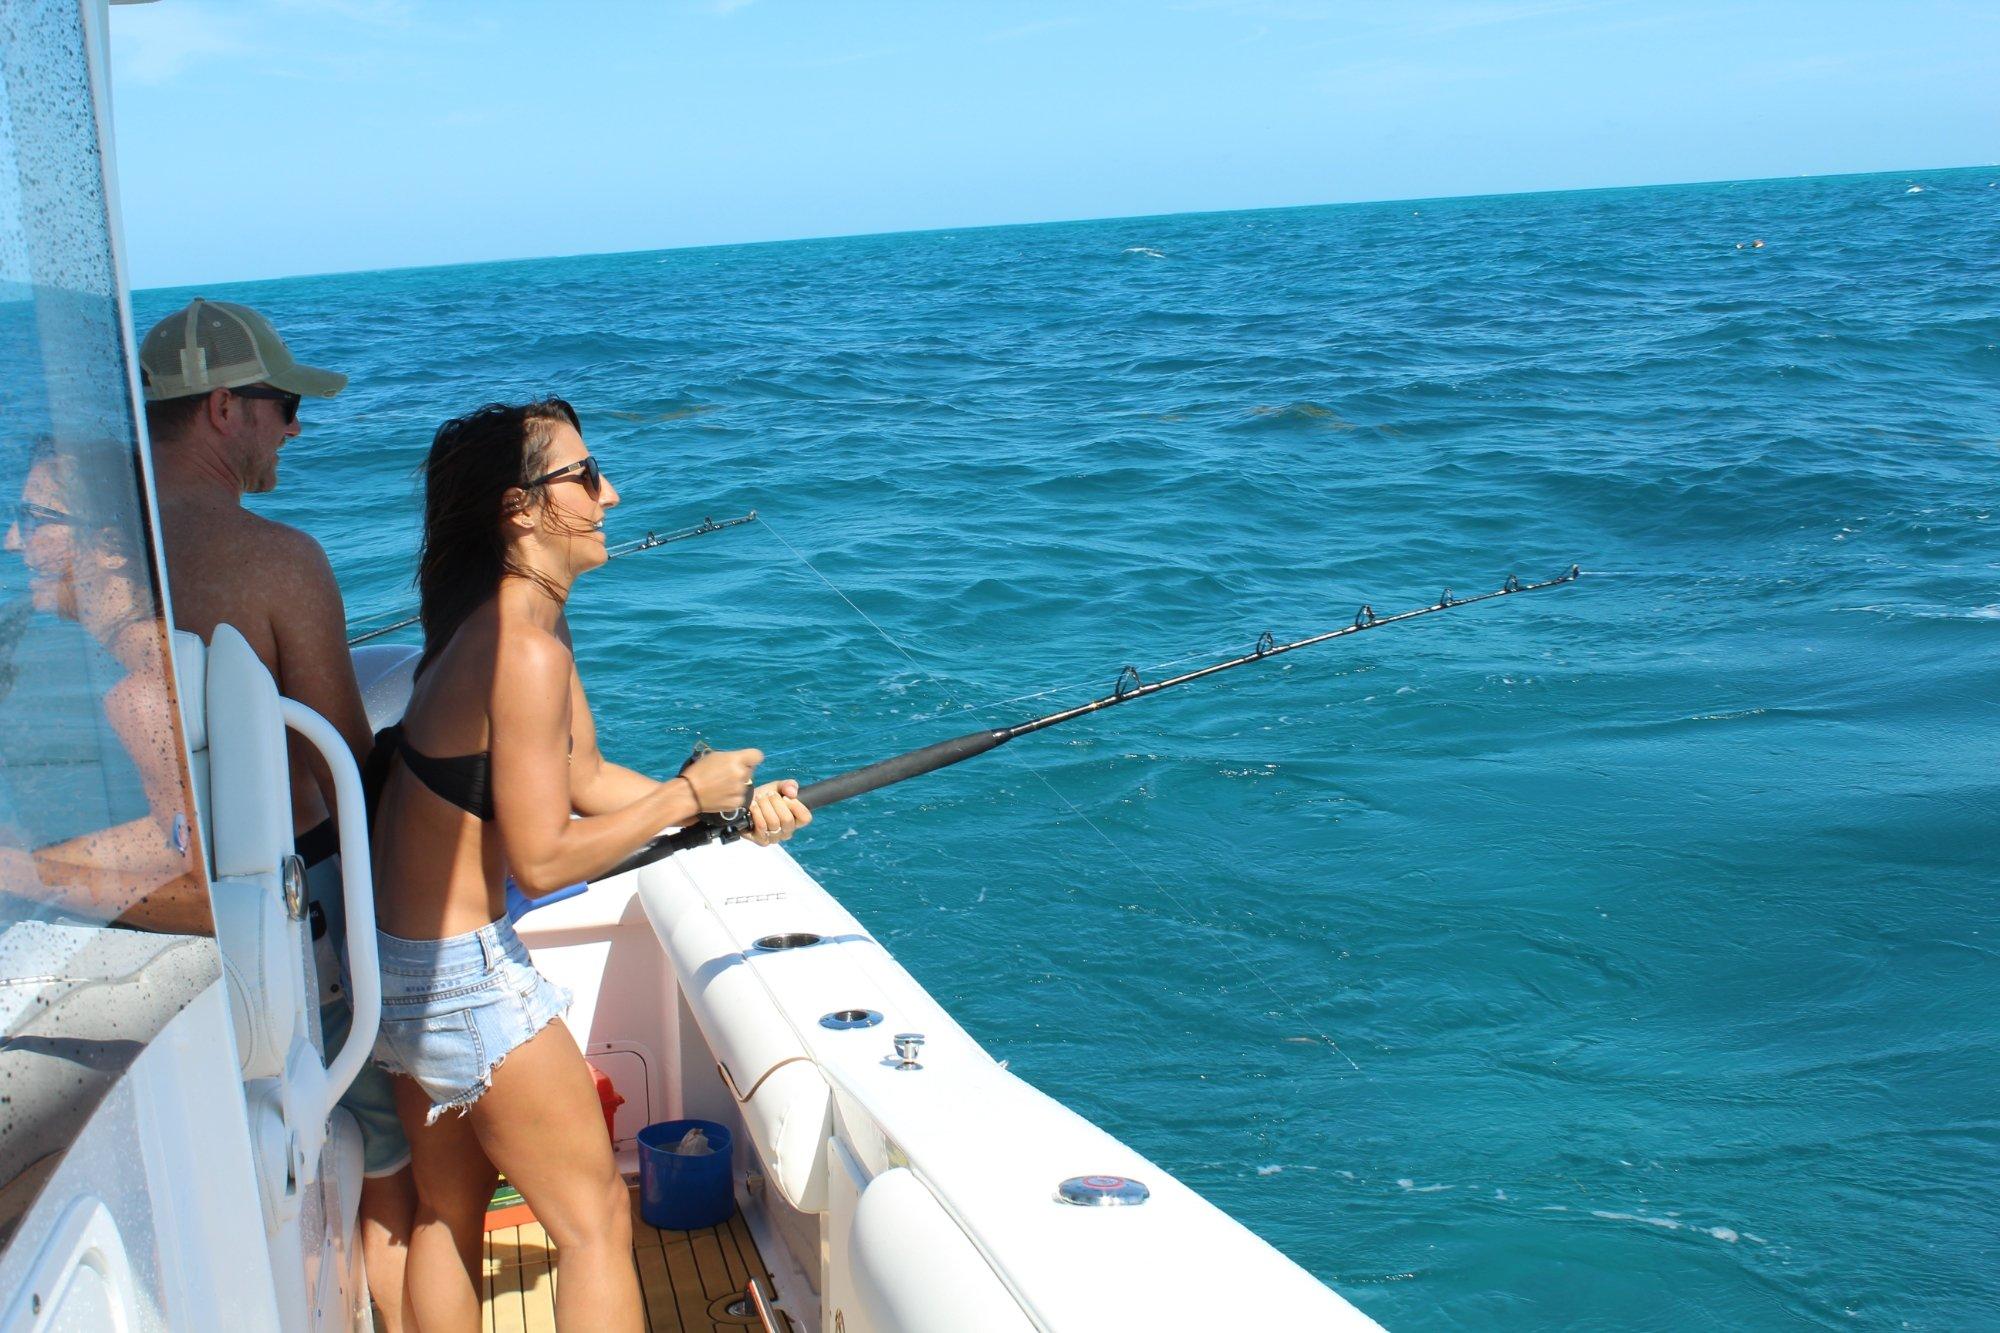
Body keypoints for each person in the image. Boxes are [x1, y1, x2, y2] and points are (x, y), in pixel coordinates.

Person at [370, 397, 809, 1331]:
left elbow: (587, 778)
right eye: (584, 475)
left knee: (449, 1213)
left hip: (399, 969)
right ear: (520, 508)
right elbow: (542, 851)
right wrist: (687, 795)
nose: (610, 493)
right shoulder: (520, 647)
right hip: (465, 981)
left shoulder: (497, 625)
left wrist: (726, 805)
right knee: (598, 1220)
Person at [137, 299, 416, 1330]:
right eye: (283, 406)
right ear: (223, 409)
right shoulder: (276, 559)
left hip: (153, 914)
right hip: (286, 923)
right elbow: (340, 749)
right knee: (390, 1159)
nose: (294, 428)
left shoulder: (83, 562)